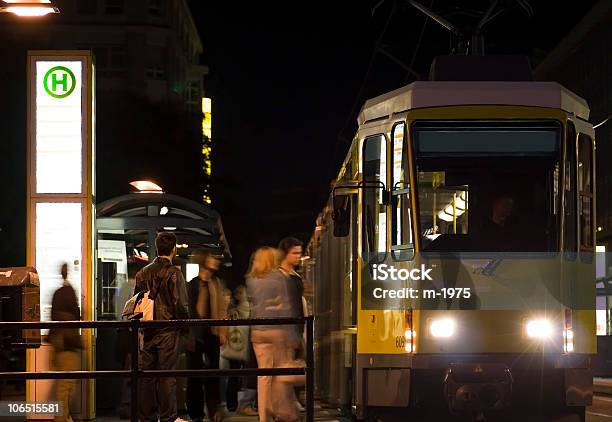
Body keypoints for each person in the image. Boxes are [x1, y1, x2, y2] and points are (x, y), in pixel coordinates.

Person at [133, 232, 190, 422]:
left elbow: (136, 302)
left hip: (147, 330)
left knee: (146, 377)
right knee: (166, 376)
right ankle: (168, 417)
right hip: (168, 331)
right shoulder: (175, 273)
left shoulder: (143, 273)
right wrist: (186, 326)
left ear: (157, 248)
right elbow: (180, 305)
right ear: (174, 249)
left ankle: (146, 417)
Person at [247, 247, 299, 422]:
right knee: (280, 373)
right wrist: (292, 336)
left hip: (257, 332)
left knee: (264, 376)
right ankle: (282, 411)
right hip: (277, 331)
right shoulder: (278, 278)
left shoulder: (251, 280)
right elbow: (285, 307)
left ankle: (264, 417)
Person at [185, 250, 228, 422]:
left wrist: (222, 332)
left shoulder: (216, 284)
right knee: (194, 376)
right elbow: (189, 311)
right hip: (195, 335)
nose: (216, 261)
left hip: (212, 334)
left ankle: (213, 410)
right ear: (204, 261)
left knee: (213, 375)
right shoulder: (192, 284)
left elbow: (222, 309)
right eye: (212, 257)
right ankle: (196, 414)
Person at [49, 263, 82, 422]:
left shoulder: (57, 293)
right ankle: (62, 418)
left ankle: (64, 416)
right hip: (68, 343)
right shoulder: (69, 292)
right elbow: (76, 314)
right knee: (67, 385)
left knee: (64, 384)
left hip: (59, 343)